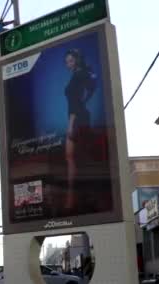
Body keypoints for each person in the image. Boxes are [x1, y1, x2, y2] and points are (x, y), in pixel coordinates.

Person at [63, 48, 96, 212]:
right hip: (81, 118)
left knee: (72, 158)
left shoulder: (78, 75)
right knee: (76, 158)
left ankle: (71, 200)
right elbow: (90, 88)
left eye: (70, 60)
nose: (68, 63)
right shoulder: (81, 74)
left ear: (76, 59)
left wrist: (70, 124)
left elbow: (75, 102)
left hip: (76, 119)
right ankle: (76, 198)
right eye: (66, 61)